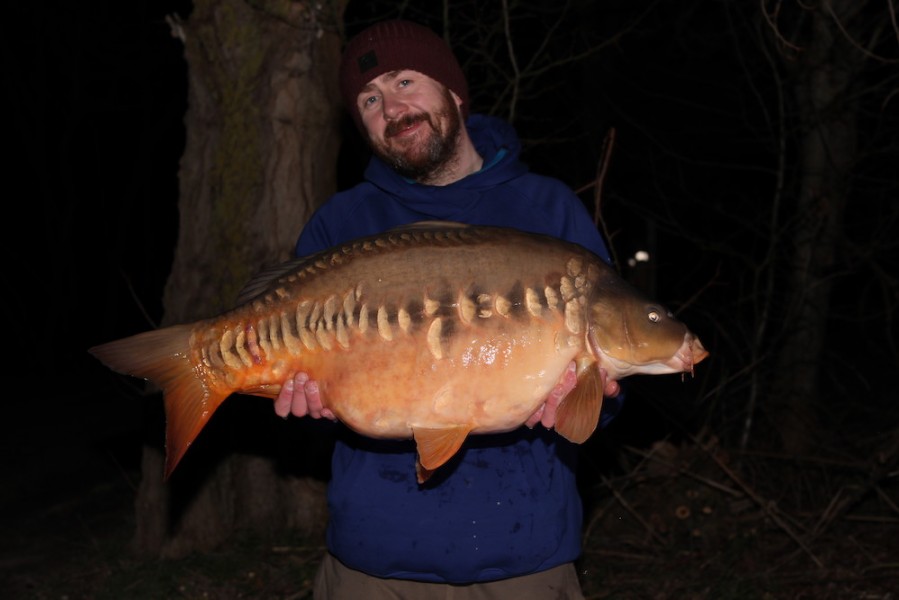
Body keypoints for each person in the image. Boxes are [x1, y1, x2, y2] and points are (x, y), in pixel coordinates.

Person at [274, 19, 623, 599]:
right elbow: (304, 425)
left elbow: (606, 394)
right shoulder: (340, 225)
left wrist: (598, 397)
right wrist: (311, 410)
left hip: (527, 559)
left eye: (407, 82)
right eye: (370, 100)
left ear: (455, 93)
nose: (393, 107)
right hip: (372, 563)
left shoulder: (548, 209)